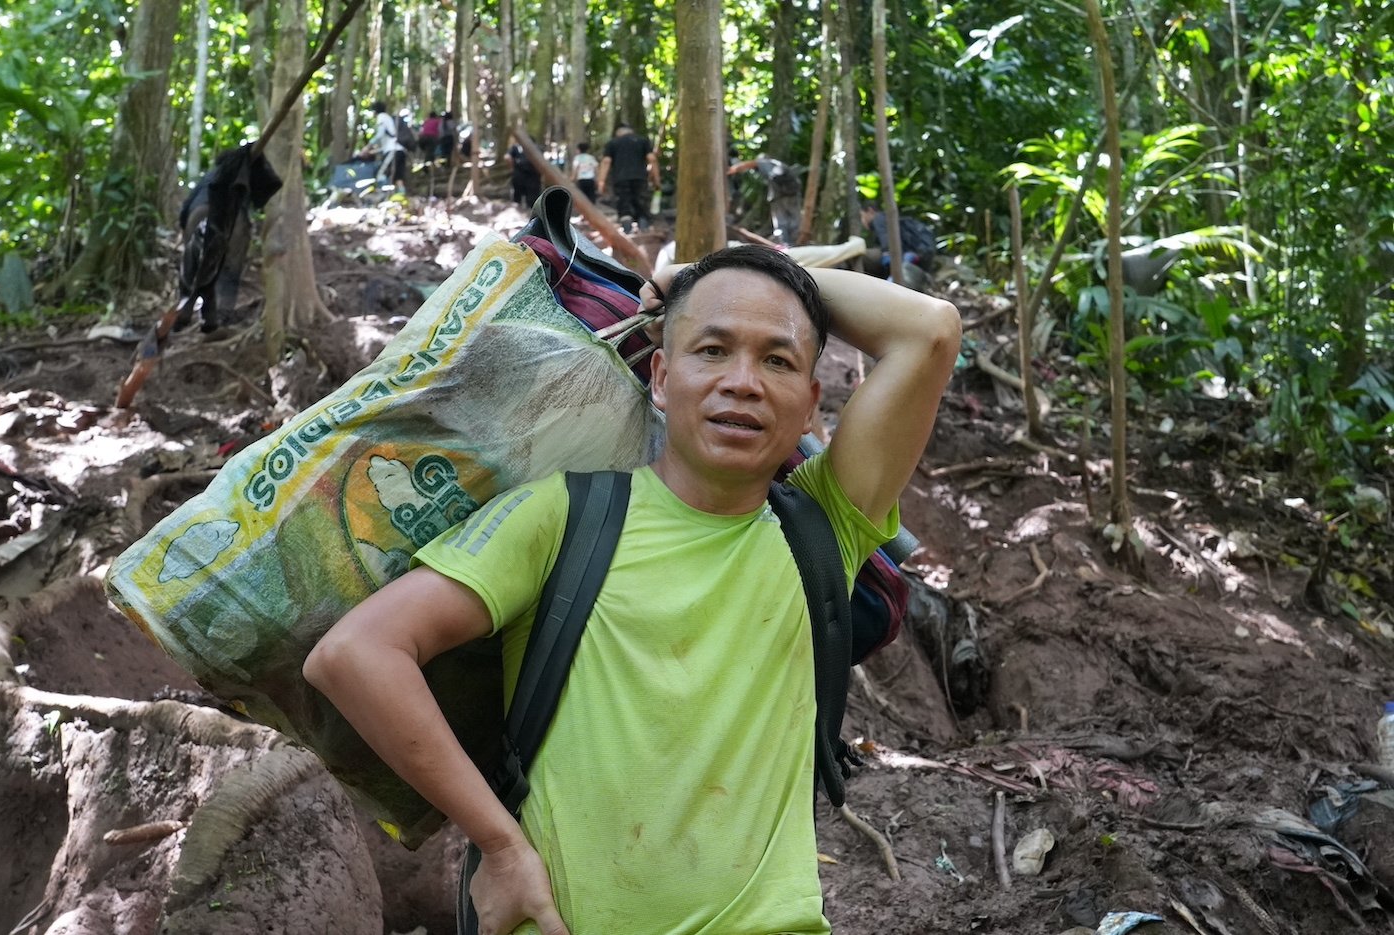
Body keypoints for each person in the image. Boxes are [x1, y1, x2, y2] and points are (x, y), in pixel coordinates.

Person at [304, 246, 960, 935]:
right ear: (661, 376)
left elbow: (931, 329)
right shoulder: (563, 516)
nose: (743, 382)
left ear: (810, 406)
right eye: (712, 349)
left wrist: (710, 275)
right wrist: (499, 845)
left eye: (777, 360)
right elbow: (356, 651)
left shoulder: (827, 524)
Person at [728, 154, 802, 244]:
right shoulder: (780, 164)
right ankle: (793, 243)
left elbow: (752, 164)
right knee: (794, 221)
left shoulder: (766, 162)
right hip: (793, 195)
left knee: (781, 223)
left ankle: (786, 244)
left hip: (777, 197)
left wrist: (734, 168)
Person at [598, 122, 659, 230]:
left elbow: (606, 161)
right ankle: (643, 229)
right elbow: (652, 159)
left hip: (620, 179)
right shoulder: (642, 140)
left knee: (624, 204)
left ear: (618, 132)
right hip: (640, 178)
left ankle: (627, 231)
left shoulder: (612, 143)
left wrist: (601, 182)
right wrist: (656, 179)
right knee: (641, 204)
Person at [860, 203, 937, 282]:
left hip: (905, 255)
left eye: (862, 216)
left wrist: (887, 253)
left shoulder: (878, 218)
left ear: (870, 211)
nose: (862, 221)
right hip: (921, 257)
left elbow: (885, 239)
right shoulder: (893, 220)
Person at [363, 99, 409, 194]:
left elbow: (380, 134)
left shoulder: (381, 117)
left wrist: (368, 147)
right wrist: (373, 151)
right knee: (398, 177)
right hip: (400, 150)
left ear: (375, 111)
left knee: (381, 174)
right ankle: (401, 197)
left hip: (393, 150)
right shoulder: (388, 118)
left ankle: (382, 196)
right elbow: (387, 143)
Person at [506, 136, 542, 210]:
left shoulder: (537, 149)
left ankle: (528, 211)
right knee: (518, 197)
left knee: (531, 197)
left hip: (532, 176)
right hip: (521, 174)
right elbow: (507, 157)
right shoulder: (516, 148)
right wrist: (513, 167)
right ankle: (520, 210)